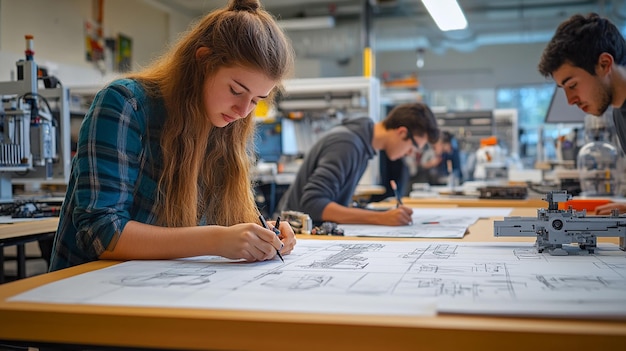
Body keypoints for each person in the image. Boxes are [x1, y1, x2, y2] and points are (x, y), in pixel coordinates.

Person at [49, 0, 296, 272]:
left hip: (162, 288)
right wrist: (217, 240)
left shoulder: (224, 125)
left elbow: (228, 221)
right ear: (202, 61)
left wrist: (262, 236)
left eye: (256, 101)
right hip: (86, 293)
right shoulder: (125, 104)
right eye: (236, 91)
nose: (242, 111)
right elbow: (101, 234)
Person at [275, 102, 440, 226]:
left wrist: (387, 213)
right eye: (413, 147)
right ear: (402, 132)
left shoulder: (361, 145)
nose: (410, 154)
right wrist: (381, 218)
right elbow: (313, 204)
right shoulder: (347, 144)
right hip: (298, 236)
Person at [538, 12, 626, 215]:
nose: (570, 101)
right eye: (564, 89)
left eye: (573, 85)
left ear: (604, 64)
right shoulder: (619, 113)